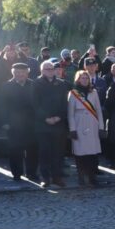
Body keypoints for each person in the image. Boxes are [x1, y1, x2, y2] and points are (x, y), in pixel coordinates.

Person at [31, 60, 68, 188]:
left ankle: (57, 177)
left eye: (52, 69)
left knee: (58, 152)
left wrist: (59, 117)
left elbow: (65, 103)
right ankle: (45, 178)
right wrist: (45, 118)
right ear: (42, 71)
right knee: (44, 152)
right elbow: (35, 104)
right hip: (43, 124)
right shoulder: (36, 83)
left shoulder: (62, 84)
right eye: (47, 69)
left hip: (58, 123)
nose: (50, 71)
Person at [0, 63, 38, 181]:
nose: (20, 74)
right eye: (17, 72)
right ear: (13, 73)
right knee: (15, 150)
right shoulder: (6, 86)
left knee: (32, 150)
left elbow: (39, 103)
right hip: (13, 124)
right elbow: (1, 106)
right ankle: (17, 173)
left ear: (27, 72)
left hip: (32, 123)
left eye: (23, 72)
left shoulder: (34, 84)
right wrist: (4, 121)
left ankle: (31, 173)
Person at [67, 70, 105, 186]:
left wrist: (101, 127)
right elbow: (70, 113)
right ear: (78, 79)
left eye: (86, 78)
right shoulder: (73, 93)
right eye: (82, 78)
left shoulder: (93, 92)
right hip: (79, 123)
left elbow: (98, 110)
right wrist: (72, 129)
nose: (84, 80)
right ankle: (81, 176)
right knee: (80, 153)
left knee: (92, 153)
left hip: (92, 123)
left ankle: (92, 177)